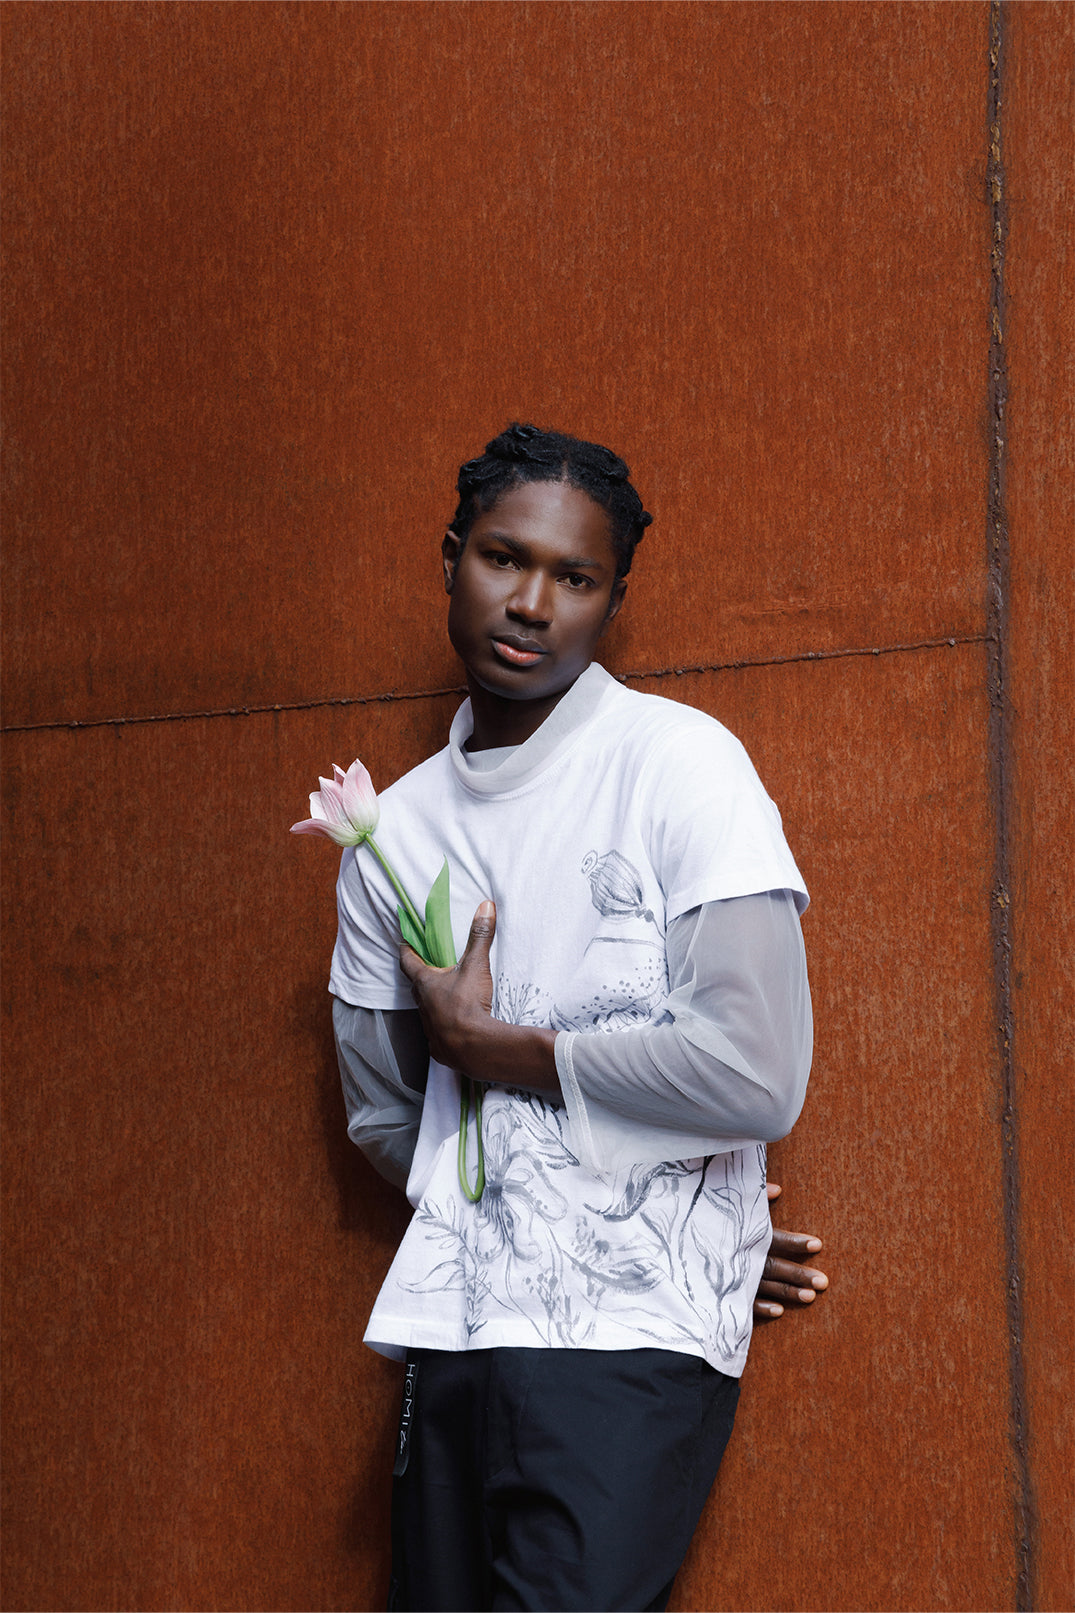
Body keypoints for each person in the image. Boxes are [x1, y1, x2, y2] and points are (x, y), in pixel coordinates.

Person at [329, 424, 826, 1612]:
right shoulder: (386, 833)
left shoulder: (680, 764)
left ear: (613, 598)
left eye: (577, 577)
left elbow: (757, 1071)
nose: (534, 601)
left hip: (627, 1345)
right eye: (505, 558)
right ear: (452, 558)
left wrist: (506, 1059)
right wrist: (577, 1201)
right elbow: (381, 1112)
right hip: (453, 1329)